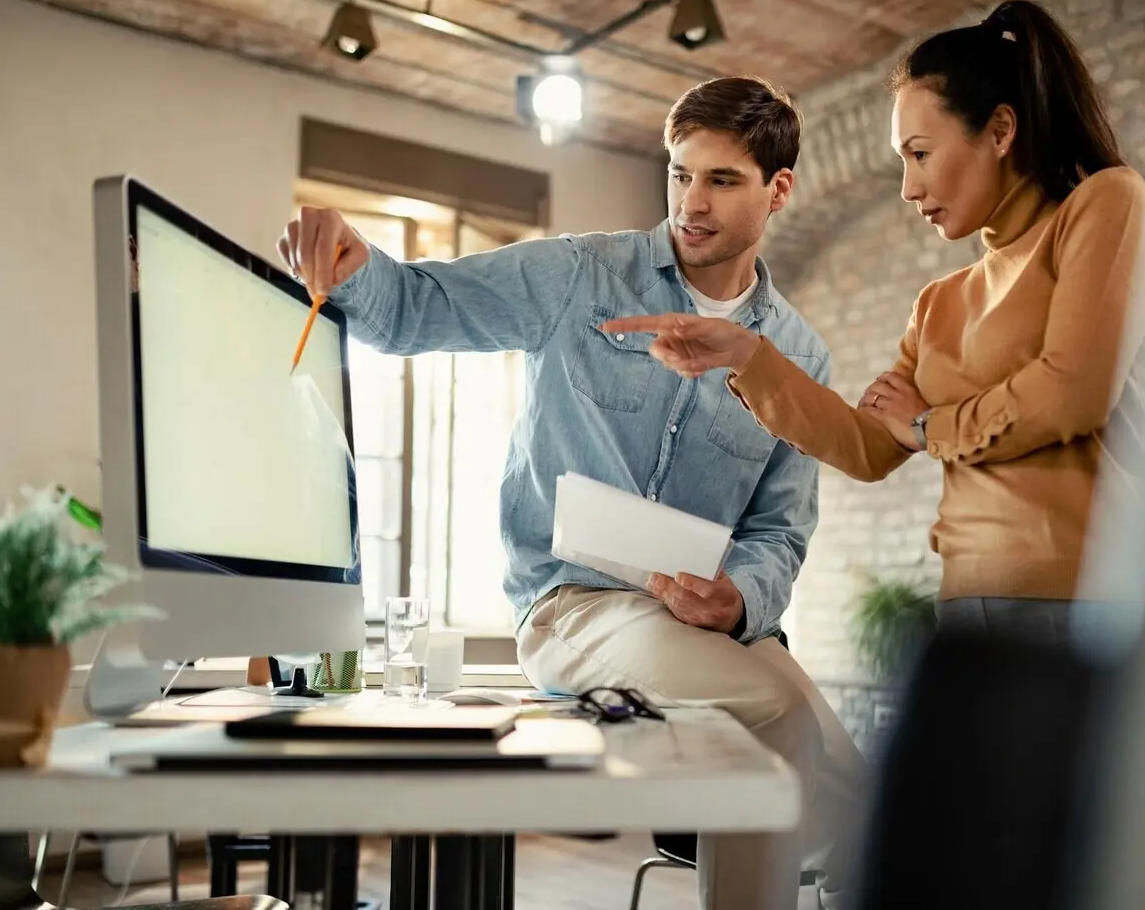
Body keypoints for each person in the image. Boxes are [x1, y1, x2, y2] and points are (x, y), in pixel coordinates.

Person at [277, 77, 867, 910]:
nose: (690, 204)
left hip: (714, 625)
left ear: (779, 189)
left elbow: (781, 532)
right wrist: (353, 261)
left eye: (722, 180)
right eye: (679, 173)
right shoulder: (582, 275)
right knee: (778, 716)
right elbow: (414, 309)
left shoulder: (797, 355)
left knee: (868, 792)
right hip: (574, 608)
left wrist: (740, 600)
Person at [603, 0, 1145, 648]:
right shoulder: (941, 302)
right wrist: (745, 354)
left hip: (1092, 599)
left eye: (921, 154)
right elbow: (868, 446)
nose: (907, 187)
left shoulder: (1107, 204)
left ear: (1000, 131)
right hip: (967, 605)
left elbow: (1072, 391)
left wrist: (930, 424)